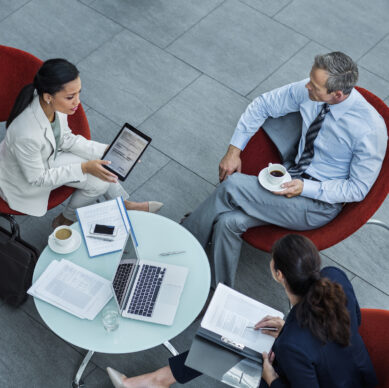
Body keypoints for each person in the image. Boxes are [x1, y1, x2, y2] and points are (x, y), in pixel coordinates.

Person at [181, 51, 387, 288]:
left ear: (337, 94)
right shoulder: (311, 90)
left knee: (231, 186)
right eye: (310, 79)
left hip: (317, 204)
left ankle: (182, 244)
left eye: (315, 86)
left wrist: (305, 188)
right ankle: (218, 295)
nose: (307, 86)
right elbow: (263, 104)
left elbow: (357, 189)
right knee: (229, 222)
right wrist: (233, 151)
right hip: (290, 175)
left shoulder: (370, 130)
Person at [105, 234, 378, 388]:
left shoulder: (294, 345)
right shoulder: (335, 277)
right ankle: (157, 380)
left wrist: (271, 377)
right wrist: (289, 330)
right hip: (360, 374)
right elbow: (355, 320)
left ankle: (154, 381)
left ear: (278, 274)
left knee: (236, 344)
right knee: (242, 340)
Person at [0, 58, 163, 226]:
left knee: (104, 168)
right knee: (99, 181)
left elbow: (65, 139)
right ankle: (66, 221)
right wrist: (84, 167)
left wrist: (108, 150)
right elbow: (37, 178)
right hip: (24, 179)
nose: (77, 102)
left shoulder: (51, 104)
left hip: (47, 156)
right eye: (70, 96)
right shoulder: (26, 134)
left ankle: (119, 205)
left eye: (79, 93)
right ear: (49, 96)